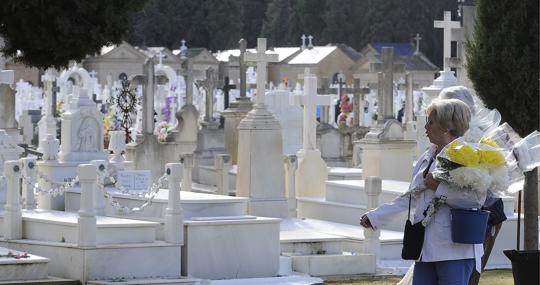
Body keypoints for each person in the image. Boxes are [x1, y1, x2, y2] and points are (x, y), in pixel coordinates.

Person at [360, 98, 486, 285]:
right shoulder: (427, 156)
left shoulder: (468, 156)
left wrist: (439, 188)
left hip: (454, 249)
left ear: (447, 125)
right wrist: (376, 216)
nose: (426, 127)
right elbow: (411, 196)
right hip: (425, 248)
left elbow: (476, 200)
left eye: (431, 122)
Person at [438, 86, 507, 285]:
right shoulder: (446, 138)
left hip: (484, 212)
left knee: (471, 271)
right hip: (458, 212)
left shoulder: (480, 137)